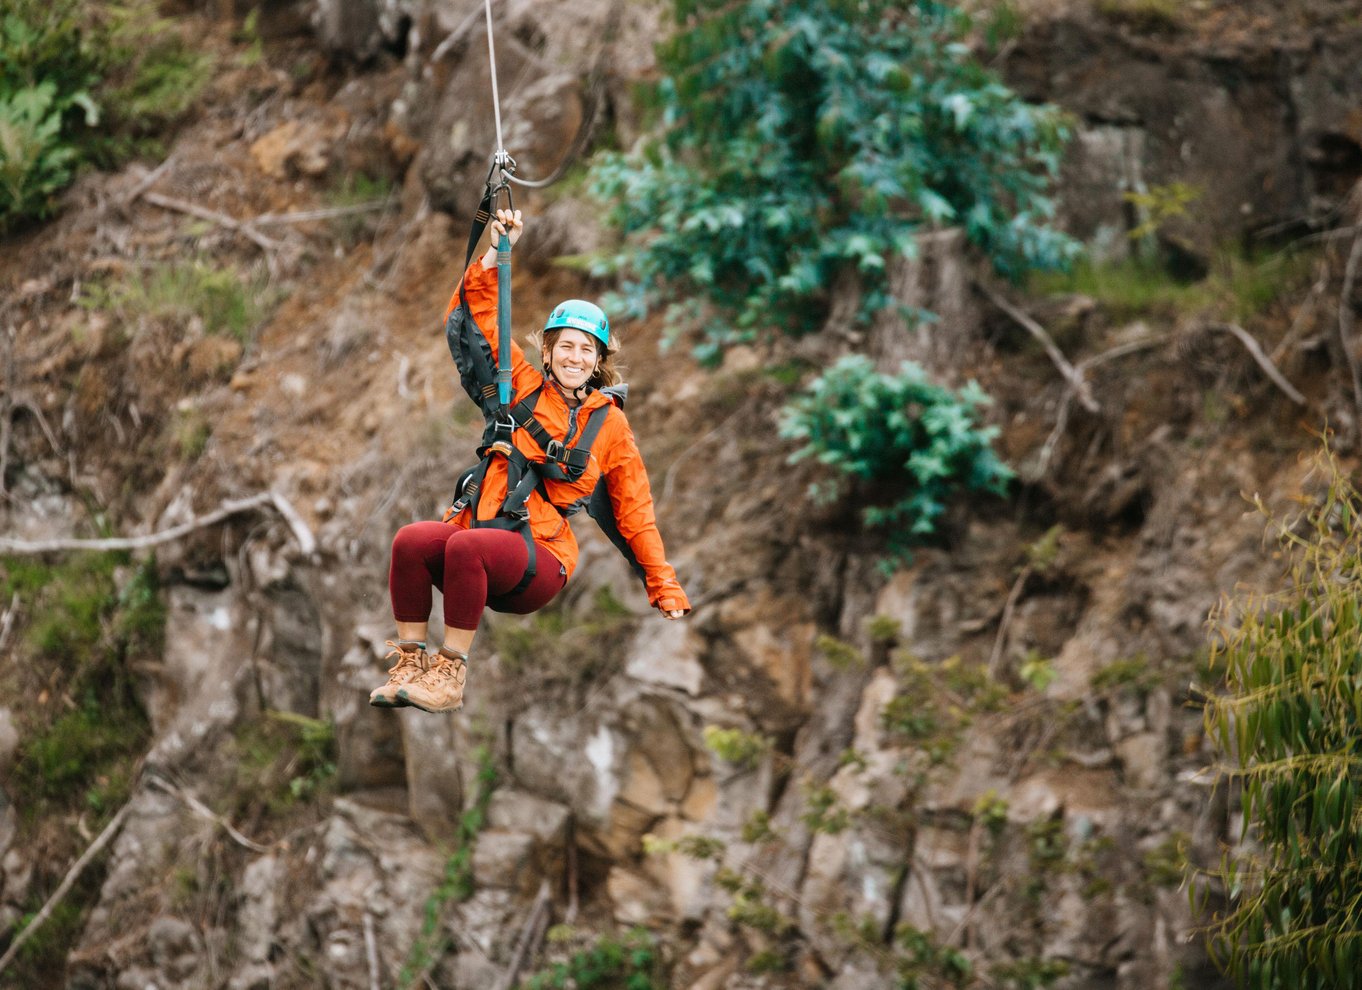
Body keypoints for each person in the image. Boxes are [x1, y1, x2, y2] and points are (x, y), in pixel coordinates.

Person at [370, 208, 691, 713]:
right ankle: (411, 664)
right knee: (412, 541)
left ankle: (449, 675)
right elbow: (474, 315)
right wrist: (499, 250)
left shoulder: (609, 426)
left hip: (539, 558)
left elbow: (634, 508)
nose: (576, 357)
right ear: (548, 350)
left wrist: (662, 581)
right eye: (567, 345)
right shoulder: (516, 383)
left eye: (588, 350)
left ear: (598, 361)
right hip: (482, 535)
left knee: (466, 547)